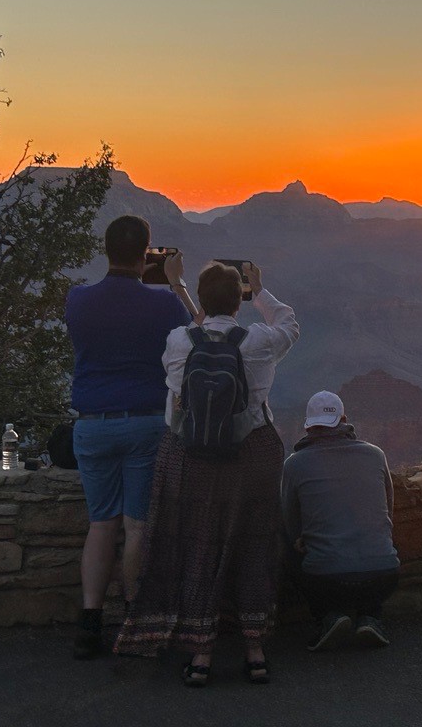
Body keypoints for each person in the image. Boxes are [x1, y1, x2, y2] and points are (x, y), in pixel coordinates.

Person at [114, 260, 299, 686]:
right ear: (240, 301)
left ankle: (200, 655)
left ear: (204, 299)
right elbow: (290, 324)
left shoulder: (179, 341)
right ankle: (255, 652)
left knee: (197, 550)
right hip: (251, 454)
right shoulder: (261, 341)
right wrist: (262, 288)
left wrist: (180, 286)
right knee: (253, 546)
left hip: (189, 455)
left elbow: (202, 335)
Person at [65, 215, 196, 660]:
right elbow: (203, 334)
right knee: (136, 525)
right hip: (144, 423)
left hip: (92, 425)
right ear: (146, 254)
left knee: (101, 524)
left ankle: (88, 624)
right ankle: (134, 618)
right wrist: (175, 283)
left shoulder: (78, 300)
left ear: (105, 250)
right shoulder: (163, 306)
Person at [281, 391, 400, 651]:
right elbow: (388, 513)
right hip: (384, 576)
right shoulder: (376, 455)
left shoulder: (294, 464)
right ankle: (370, 616)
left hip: (325, 581)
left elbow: (290, 524)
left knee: (287, 548)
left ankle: (327, 616)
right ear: (344, 419)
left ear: (309, 425)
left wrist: (302, 540)